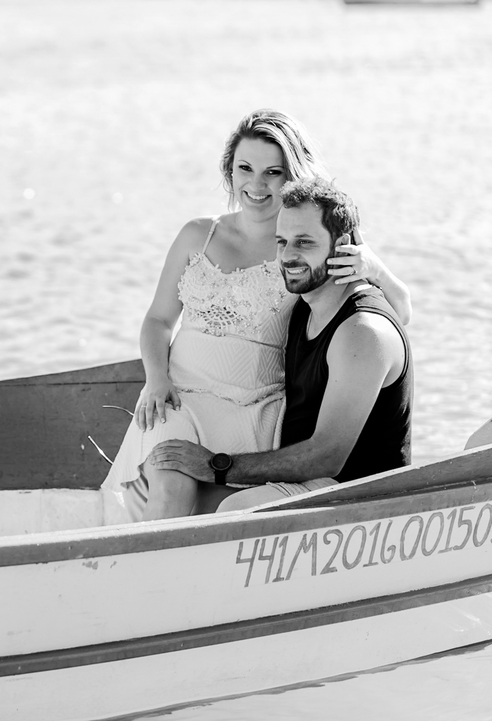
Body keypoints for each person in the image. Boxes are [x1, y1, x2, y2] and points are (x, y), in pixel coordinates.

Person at [100, 109, 411, 524]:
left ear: (292, 176)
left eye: (273, 172)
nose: (256, 184)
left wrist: (373, 267)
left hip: (255, 407)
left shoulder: (313, 247)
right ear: (229, 171)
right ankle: (148, 573)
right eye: (244, 168)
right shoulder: (198, 234)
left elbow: (396, 311)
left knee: (218, 511)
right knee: (171, 484)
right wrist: (156, 378)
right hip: (180, 394)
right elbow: (158, 319)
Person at [143, 177, 412, 514]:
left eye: (304, 242)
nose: (287, 256)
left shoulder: (360, 330)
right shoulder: (305, 305)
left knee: (232, 509)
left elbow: (327, 456)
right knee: (186, 499)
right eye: (282, 241)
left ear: (343, 246)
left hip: (357, 497)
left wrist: (217, 464)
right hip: (305, 481)